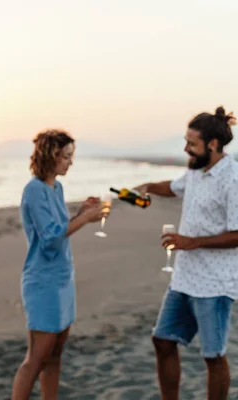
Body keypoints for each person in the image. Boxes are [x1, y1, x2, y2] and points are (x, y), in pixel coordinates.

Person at [134, 107, 238, 400]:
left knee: (213, 355)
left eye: (192, 143)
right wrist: (149, 187)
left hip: (215, 284)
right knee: (163, 341)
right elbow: (176, 187)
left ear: (213, 145)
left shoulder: (233, 179)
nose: (186, 148)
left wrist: (192, 242)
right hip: (184, 277)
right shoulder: (195, 170)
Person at [11, 129, 104, 400]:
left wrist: (81, 212)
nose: (70, 162)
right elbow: (51, 238)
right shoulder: (34, 190)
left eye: (71, 156)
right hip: (43, 282)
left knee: (55, 355)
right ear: (51, 156)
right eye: (66, 156)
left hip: (63, 278)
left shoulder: (57, 187)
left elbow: (59, 227)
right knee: (38, 357)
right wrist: (86, 220)